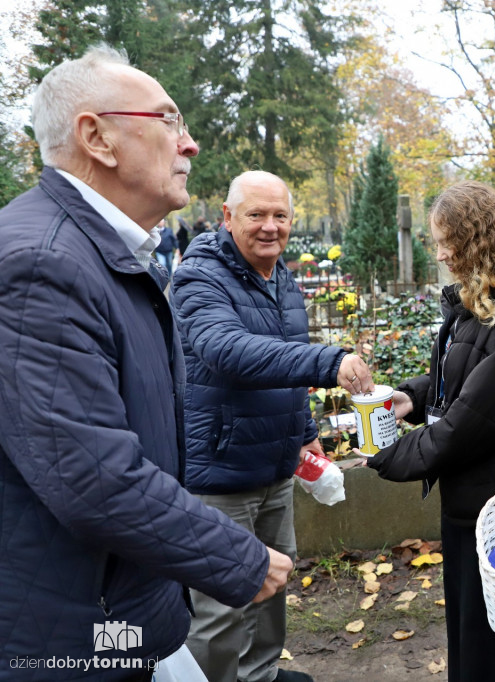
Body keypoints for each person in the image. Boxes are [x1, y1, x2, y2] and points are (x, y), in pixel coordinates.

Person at [0, 44, 292, 680]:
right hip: (72, 639)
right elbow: (94, 478)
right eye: (169, 120)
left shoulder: (102, 252)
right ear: (97, 137)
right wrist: (239, 558)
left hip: (123, 610)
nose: (188, 144)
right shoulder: (42, 265)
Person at [363, 181, 495, 682]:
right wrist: (411, 396)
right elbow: (459, 380)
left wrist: (385, 455)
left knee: (486, 649)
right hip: (470, 503)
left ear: (475, 240)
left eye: (444, 241)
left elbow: (465, 425)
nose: (437, 252)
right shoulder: (480, 307)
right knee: (468, 633)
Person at [170, 170, 371, 682]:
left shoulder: (280, 277)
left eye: (279, 215)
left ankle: (259, 676)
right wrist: (329, 361)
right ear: (228, 217)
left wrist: (304, 432)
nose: (269, 227)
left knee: (273, 583)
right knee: (221, 605)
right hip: (221, 471)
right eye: (256, 214)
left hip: (275, 467)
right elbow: (227, 352)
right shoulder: (200, 276)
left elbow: (284, 373)